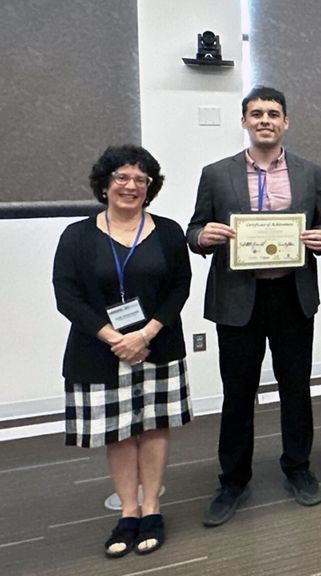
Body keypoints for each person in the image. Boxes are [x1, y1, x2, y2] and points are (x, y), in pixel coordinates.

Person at [187, 86, 321, 527]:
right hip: (237, 301)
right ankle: (233, 479)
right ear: (245, 121)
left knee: (296, 389)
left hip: (291, 294)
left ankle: (298, 468)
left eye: (273, 113)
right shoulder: (216, 174)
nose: (265, 120)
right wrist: (202, 239)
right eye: (256, 113)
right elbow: (194, 229)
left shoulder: (309, 173)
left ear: (286, 121)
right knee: (237, 394)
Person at [53, 145, 191, 557]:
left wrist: (145, 334)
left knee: (152, 426)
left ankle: (151, 507)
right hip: (101, 350)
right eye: (122, 177)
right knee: (118, 432)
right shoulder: (77, 235)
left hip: (157, 345)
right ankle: (127, 511)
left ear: (150, 187)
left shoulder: (167, 231)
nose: (131, 186)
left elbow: (179, 288)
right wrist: (116, 338)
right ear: (104, 183)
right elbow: (67, 296)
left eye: (140, 180)